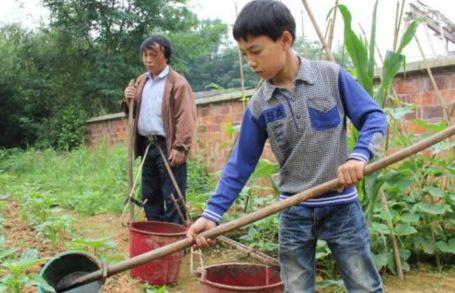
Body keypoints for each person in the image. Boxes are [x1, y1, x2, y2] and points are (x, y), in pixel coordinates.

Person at [187, 0, 387, 292]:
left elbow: (375, 118)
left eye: (256, 51)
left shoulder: (330, 77)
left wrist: (359, 156)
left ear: (285, 40)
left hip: (341, 207)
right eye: (244, 54)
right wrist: (211, 214)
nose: (251, 62)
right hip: (294, 211)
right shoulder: (260, 105)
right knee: (295, 289)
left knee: (364, 285)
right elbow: (240, 164)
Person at [123, 35, 196, 225]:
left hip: (168, 145)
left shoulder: (177, 83)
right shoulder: (140, 82)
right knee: (150, 193)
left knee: (172, 194)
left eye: (153, 55)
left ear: (166, 56)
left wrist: (180, 147)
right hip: (147, 145)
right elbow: (131, 112)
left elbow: (186, 116)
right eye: (145, 55)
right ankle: (154, 235)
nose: (148, 60)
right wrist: (127, 99)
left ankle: (175, 239)